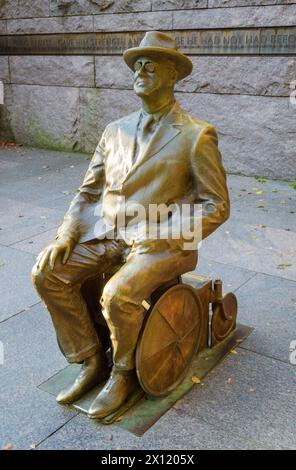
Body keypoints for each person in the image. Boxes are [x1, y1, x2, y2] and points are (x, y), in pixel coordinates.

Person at [32, 31, 230, 419]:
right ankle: (91, 359)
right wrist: (67, 234)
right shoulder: (114, 130)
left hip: (161, 243)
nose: (141, 68)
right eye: (137, 63)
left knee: (118, 293)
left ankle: (122, 373)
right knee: (46, 273)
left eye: (152, 63)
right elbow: (87, 192)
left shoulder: (195, 135)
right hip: (105, 232)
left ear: (173, 75)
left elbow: (217, 205)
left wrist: (166, 234)